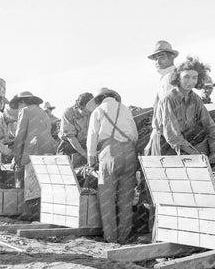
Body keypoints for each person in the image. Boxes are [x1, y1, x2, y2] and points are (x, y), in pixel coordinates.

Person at [87, 87, 138, 244]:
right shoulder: (125, 109)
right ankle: (124, 237)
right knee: (126, 199)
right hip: (129, 152)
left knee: (107, 199)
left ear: (100, 99)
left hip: (109, 152)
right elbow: (134, 135)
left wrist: (91, 159)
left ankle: (111, 238)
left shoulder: (98, 111)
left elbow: (92, 136)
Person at [156, 56, 215, 164]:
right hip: (167, 149)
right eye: (186, 77)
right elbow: (173, 136)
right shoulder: (169, 99)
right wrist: (195, 155)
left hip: (187, 148)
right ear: (178, 77)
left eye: (194, 77)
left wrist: (214, 151)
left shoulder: (196, 99)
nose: (190, 81)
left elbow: (210, 126)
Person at [11, 91, 57, 220]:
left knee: (30, 181)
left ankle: (30, 213)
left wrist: (17, 155)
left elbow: (20, 135)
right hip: (48, 148)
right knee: (43, 181)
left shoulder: (25, 110)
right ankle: (42, 213)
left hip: (33, 149)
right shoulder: (43, 112)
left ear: (22, 102)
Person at [144, 40, 179, 155]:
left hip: (165, 133)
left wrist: (157, 132)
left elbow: (167, 110)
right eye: (155, 58)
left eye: (161, 57)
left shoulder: (170, 78)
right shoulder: (166, 77)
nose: (157, 61)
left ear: (171, 58)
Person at [58, 92, 95, 168]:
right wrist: (86, 155)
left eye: (89, 112)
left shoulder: (92, 112)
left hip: (86, 145)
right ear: (78, 107)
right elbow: (71, 138)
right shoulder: (68, 113)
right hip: (69, 147)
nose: (87, 113)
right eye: (85, 111)